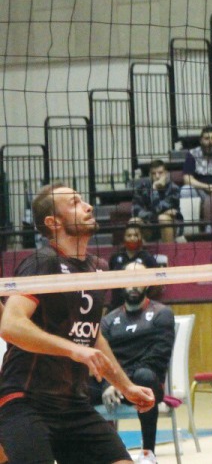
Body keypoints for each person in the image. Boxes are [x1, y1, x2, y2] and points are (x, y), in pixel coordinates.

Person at [0, 184, 156, 464]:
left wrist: (126, 386)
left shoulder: (98, 268)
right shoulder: (41, 262)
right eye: (74, 203)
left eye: (83, 199)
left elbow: (92, 337)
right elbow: (11, 325)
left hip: (73, 405)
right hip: (26, 401)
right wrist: (73, 350)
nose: (88, 206)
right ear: (53, 222)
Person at [92, 261, 175, 464]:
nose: (134, 285)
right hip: (114, 386)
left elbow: (157, 358)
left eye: (139, 280)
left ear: (147, 284)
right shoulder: (109, 320)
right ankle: (92, 454)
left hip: (144, 385)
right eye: (130, 280)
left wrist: (120, 382)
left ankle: (148, 453)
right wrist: (108, 384)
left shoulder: (162, 314)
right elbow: (101, 357)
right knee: (77, 387)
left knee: (144, 376)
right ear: (122, 284)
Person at [130, 159, 180, 242]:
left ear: (166, 174)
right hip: (150, 225)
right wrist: (153, 217)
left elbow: (159, 209)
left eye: (160, 173)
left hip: (171, 225)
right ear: (150, 175)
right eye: (153, 173)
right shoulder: (142, 188)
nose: (157, 176)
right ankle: (140, 254)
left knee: (163, 218)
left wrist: (155, 189)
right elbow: (135, 211)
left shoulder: (174, 188)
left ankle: (169, 252)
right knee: (134, 221)